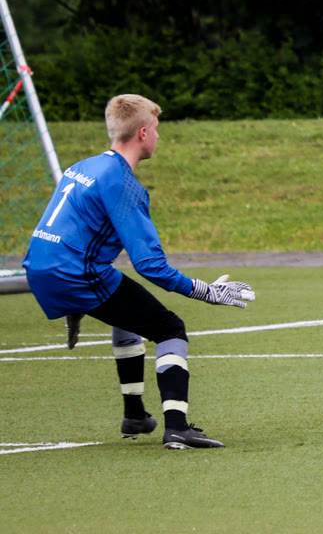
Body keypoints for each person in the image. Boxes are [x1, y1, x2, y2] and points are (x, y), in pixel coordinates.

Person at [22, 94, 255, 449]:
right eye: (157, 129)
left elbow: (65, 232)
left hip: (40, 267)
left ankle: (135, 415)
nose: (159, 136)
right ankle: (177, 428)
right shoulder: (123, 184)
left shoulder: (82, 166)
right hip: (77, 274)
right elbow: (150, 265)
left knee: (126, 312)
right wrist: (207, 291)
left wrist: (72, 300)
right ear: (143, 133)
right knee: (169, 328)